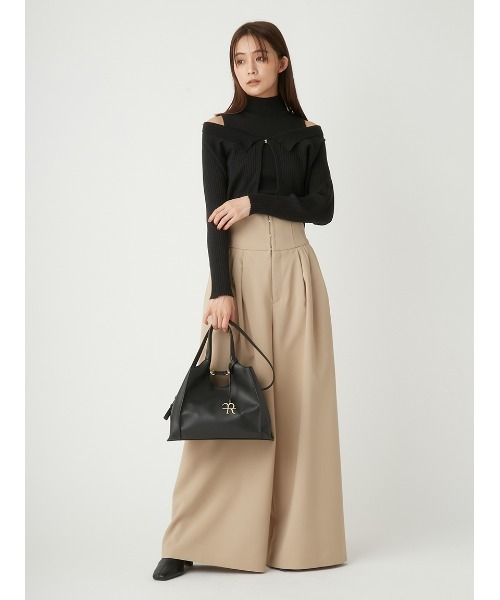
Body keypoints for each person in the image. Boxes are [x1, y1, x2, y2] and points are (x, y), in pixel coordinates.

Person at [153, 21, 348, 580]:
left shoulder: (307, 132)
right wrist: (221, 289)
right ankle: (192, 540)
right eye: (239, 60)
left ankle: (299, 542)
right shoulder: (219, 130)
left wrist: (254, 200)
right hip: (237, 273)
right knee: (227, 403)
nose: (250, 69)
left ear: (282, 62)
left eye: (260, 57)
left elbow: (322, 207)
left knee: (301, 407)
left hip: (297, 272)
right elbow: (214, 216)